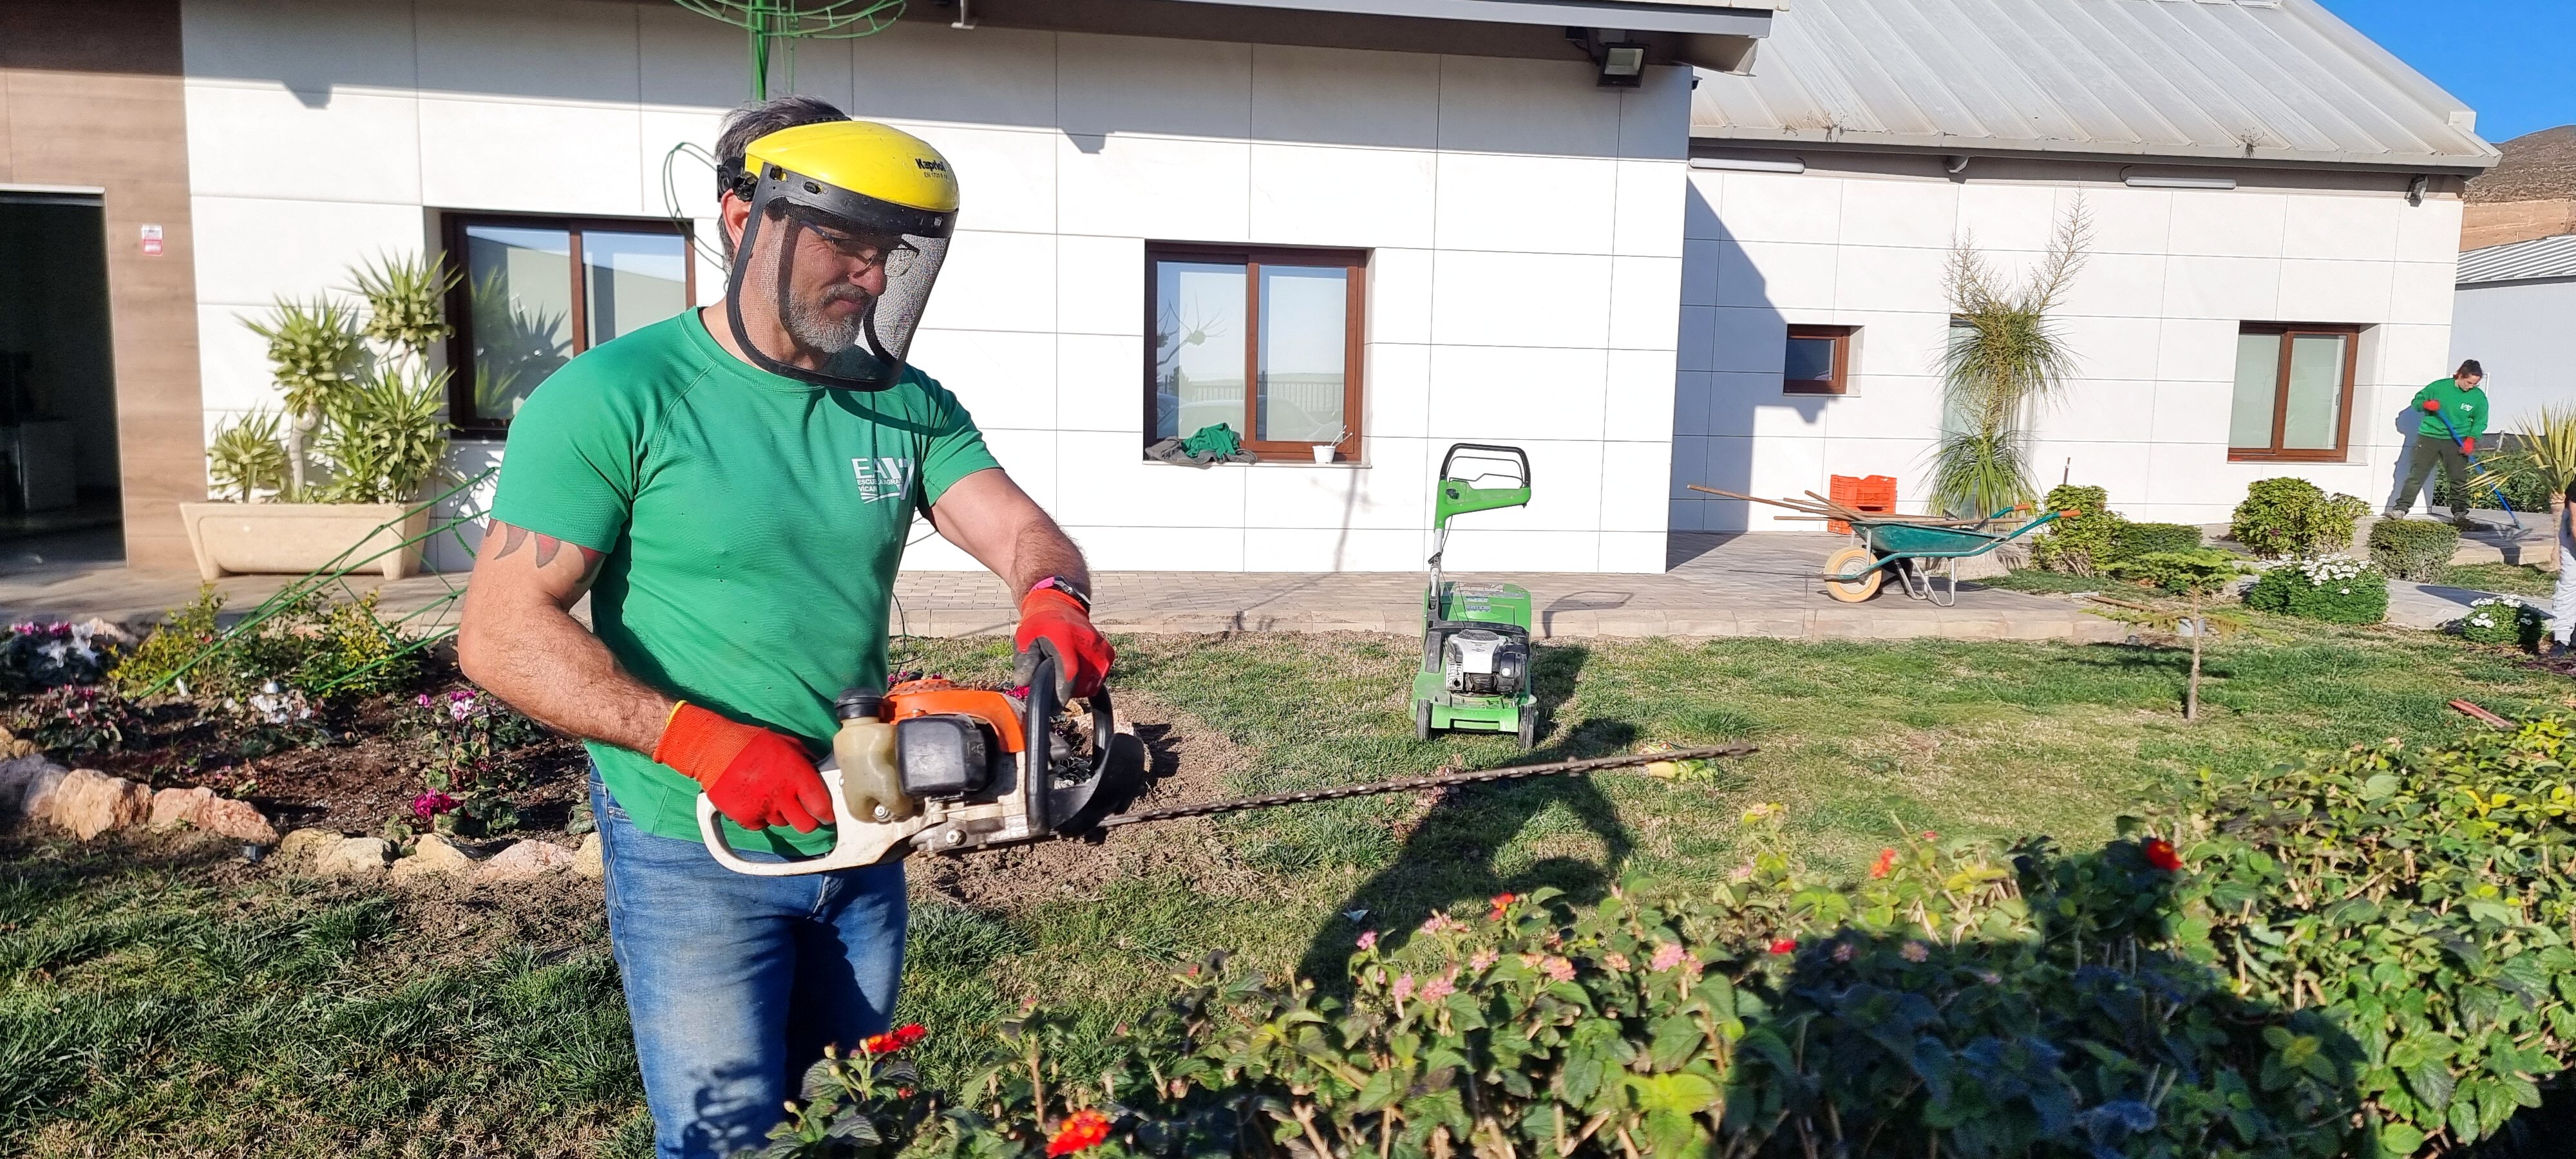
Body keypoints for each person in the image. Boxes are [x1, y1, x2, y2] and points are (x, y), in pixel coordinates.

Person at [455, 96, 1114, 1159]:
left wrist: (1054, 600)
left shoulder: (904, 403)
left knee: (861, 1118)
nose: (866, 275)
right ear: (740, 218)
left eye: (887, 252)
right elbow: (498, 633)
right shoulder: (617, 396)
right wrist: (702, 744)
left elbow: (1022, 532)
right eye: (840, 243)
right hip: (692, 842)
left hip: (866, 818)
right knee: (728, 1139)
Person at [2387, 359, 2489, 527]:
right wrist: (2426, 404)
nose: (2471, 387)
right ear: (2460, 375)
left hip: (2458, 440)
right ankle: (2401, 509)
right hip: (2429, 437)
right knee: (2417, 475)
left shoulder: (2478, 398)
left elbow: (2480, 421)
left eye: (2475, 384)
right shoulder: (2438, 387)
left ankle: (2460, 514)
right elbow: (2417, 402)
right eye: (2469, 382)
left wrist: (2471, 440)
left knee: (2459, 478)